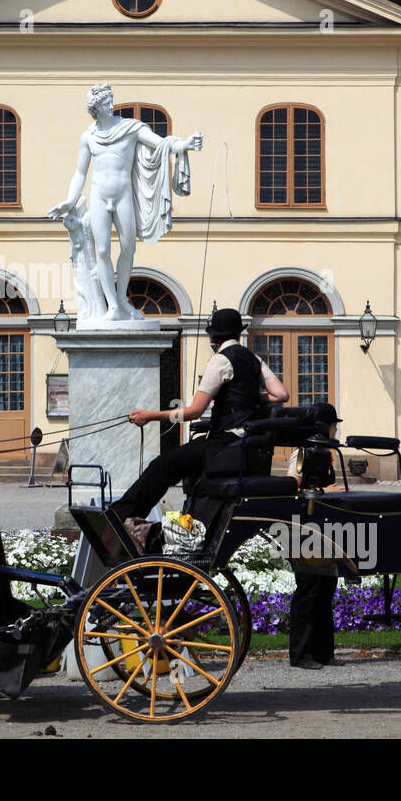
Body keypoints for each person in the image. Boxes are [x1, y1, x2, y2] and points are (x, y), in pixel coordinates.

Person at [106, 307, 289, 523]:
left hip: (225, 444)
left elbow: (194, 412)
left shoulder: (220, 360)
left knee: (162, 465)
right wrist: (250, 397)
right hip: (245, 442)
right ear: (239, 333)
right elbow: (281, 394)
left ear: (213, 337)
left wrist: (150, 416)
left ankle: (119, 517)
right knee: (177, 463)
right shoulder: (253, 358)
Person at [48, 83, 202, 321]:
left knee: (128, 246)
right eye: (105, 104)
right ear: (95, 108)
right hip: (99, 196)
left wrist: (184, 145)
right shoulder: (88, 137)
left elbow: (159, 143)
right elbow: (80, 172)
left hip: (123, 195)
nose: (111, 106)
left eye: (111, 101)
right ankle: (113, 306)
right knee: (101, 250)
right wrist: (69, 201)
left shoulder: (130, 128)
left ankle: (121, 299)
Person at [285, 405, 341, 670]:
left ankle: (323, 651)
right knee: (308, 589)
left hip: (322, 526)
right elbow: (293, 483)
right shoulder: (303, 452)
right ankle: (300, 653)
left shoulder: (326, 453)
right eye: (333, 425)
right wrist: (324, 489)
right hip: (304, 527)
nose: (336, 430)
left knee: (325, 587)